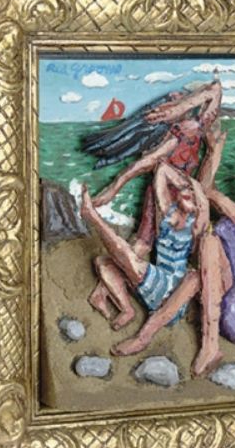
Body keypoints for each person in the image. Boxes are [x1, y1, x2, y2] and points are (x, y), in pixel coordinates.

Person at [107, 126, 235, 377]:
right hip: (229, 312)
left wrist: (214, 152)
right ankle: (144, 336)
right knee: (194, 276)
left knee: (209, 241)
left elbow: (204, 192)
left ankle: (209, 346)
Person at [86, 81, 222, 330]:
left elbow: (215, 90)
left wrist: (182, 105)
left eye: (183, 97)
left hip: (181, 199)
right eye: (175, 97)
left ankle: (105, 292)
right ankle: (105, 292)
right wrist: (114, 188)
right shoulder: (178, 135)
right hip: (164, 196)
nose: (182, 99)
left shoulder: (196, 128)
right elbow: (144, 163)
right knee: (142, 244)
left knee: (146, 246)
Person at [80, 161, 209, 337]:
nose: (189, 195)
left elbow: (204, 209)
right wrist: (186, 184)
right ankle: (127, 309)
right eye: (187, 191)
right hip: (153, 283)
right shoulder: (167, 212)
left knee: (127, 256)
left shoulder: (196, 226)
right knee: (103, 263)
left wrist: (196, 189)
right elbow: (162, 169)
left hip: (171, 291)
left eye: (194, 198)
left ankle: (92, 216)